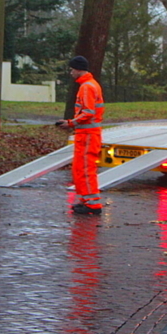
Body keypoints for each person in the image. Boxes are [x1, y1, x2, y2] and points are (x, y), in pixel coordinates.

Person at [56, 55, 104, 215]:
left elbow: (88, 113)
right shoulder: (90, 85)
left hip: (88, 134)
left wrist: (70, 123)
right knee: (81, 168)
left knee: (85, 169)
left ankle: (92, 204)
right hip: (87, 134)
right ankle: (86, 200)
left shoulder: (87, 87)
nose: (70, 72)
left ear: (77, 69)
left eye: (71, 69)